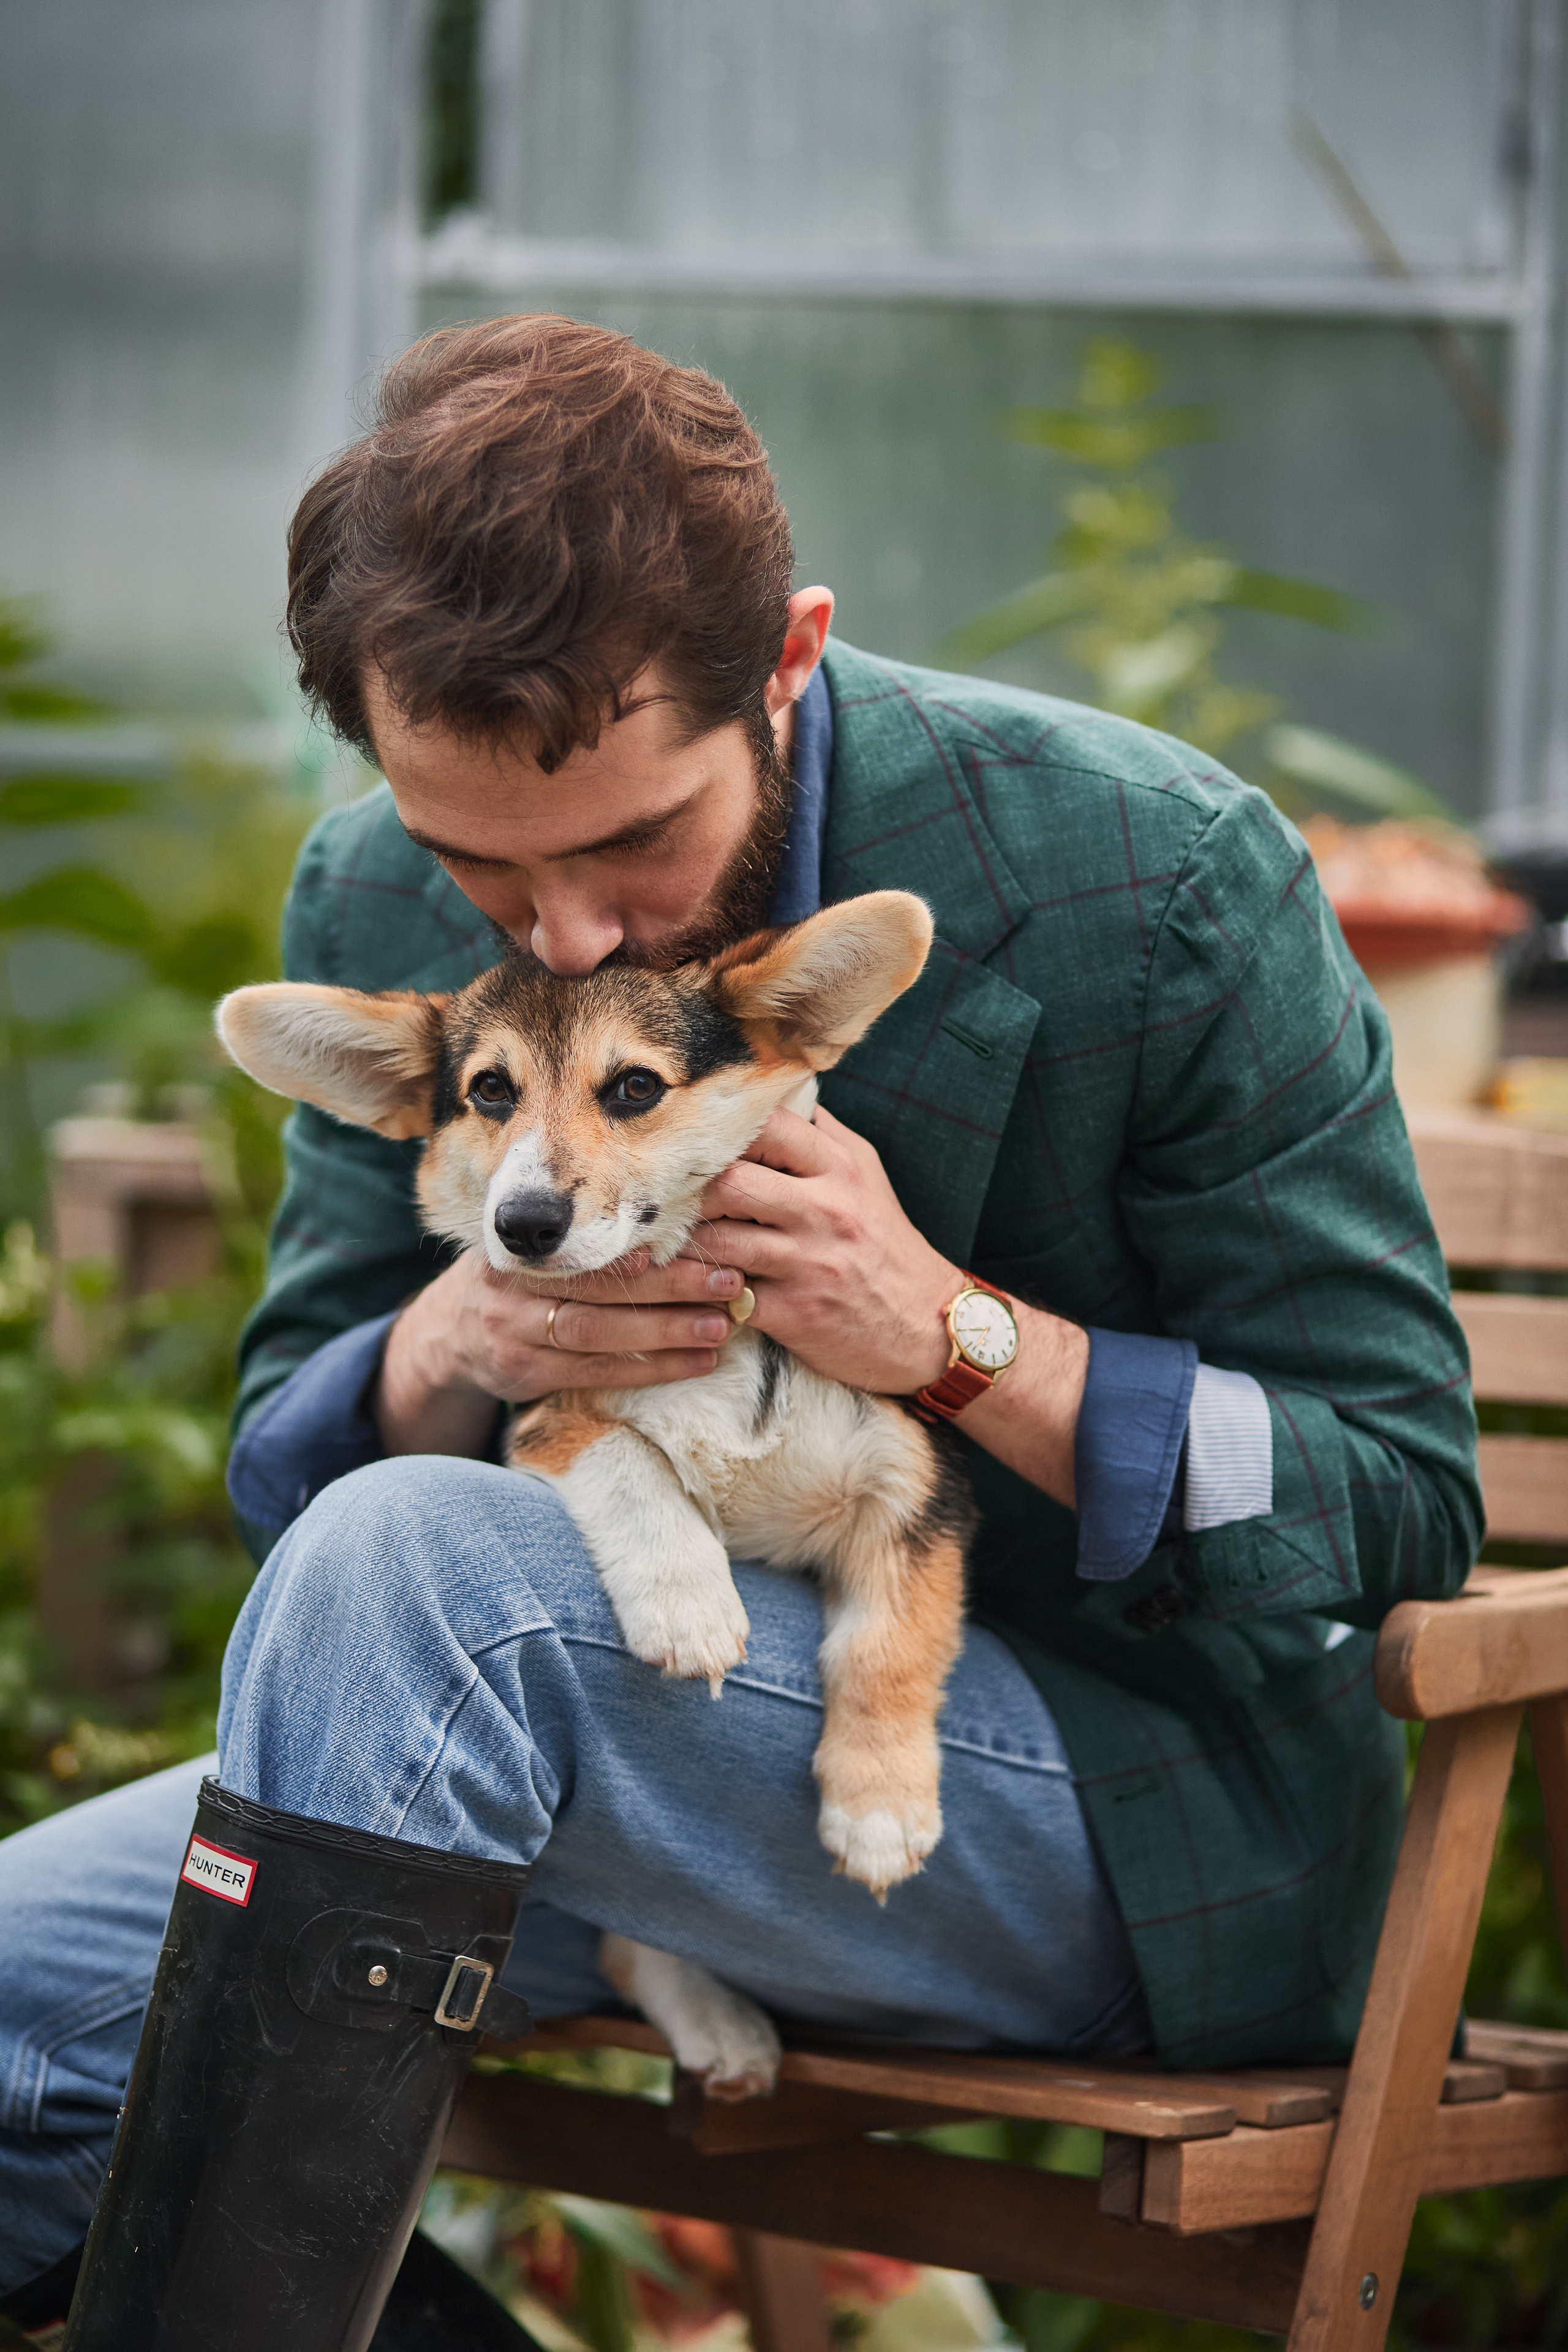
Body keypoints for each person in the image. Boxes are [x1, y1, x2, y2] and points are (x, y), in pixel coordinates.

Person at [0, 315, 1481, 2344]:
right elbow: (299, 1442)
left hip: (1104, 1811)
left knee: (419, 1572)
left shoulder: (1160, 878)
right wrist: (467, 1340)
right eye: (478, 866)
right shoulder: (369, 898)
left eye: (631, 842)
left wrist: (955, 1338)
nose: (568, 934)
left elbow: (1400, 1494)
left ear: (787, 658)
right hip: (536, 1764)